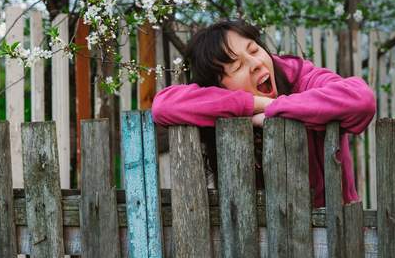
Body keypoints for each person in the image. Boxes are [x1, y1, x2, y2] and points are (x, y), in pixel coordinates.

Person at [151, 20, 376, 207]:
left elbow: (360, 99)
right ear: (217, 87)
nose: (256, 63)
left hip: (334, 229)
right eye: (237, 66)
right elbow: (164, 106)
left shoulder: (300, 77)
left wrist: (272, 109)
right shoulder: (216, 101)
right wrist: (253, 103)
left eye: (254, 50)